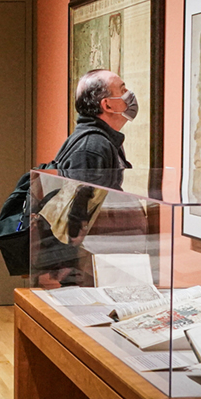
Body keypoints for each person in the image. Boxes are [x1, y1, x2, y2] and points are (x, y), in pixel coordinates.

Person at [33, 69, 135, 286]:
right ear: (107, 105)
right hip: (81, 260)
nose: (129, 95)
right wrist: (71, 266)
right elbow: (80, 209)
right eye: (123, 90)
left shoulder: (99, 141)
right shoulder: (92, 147)